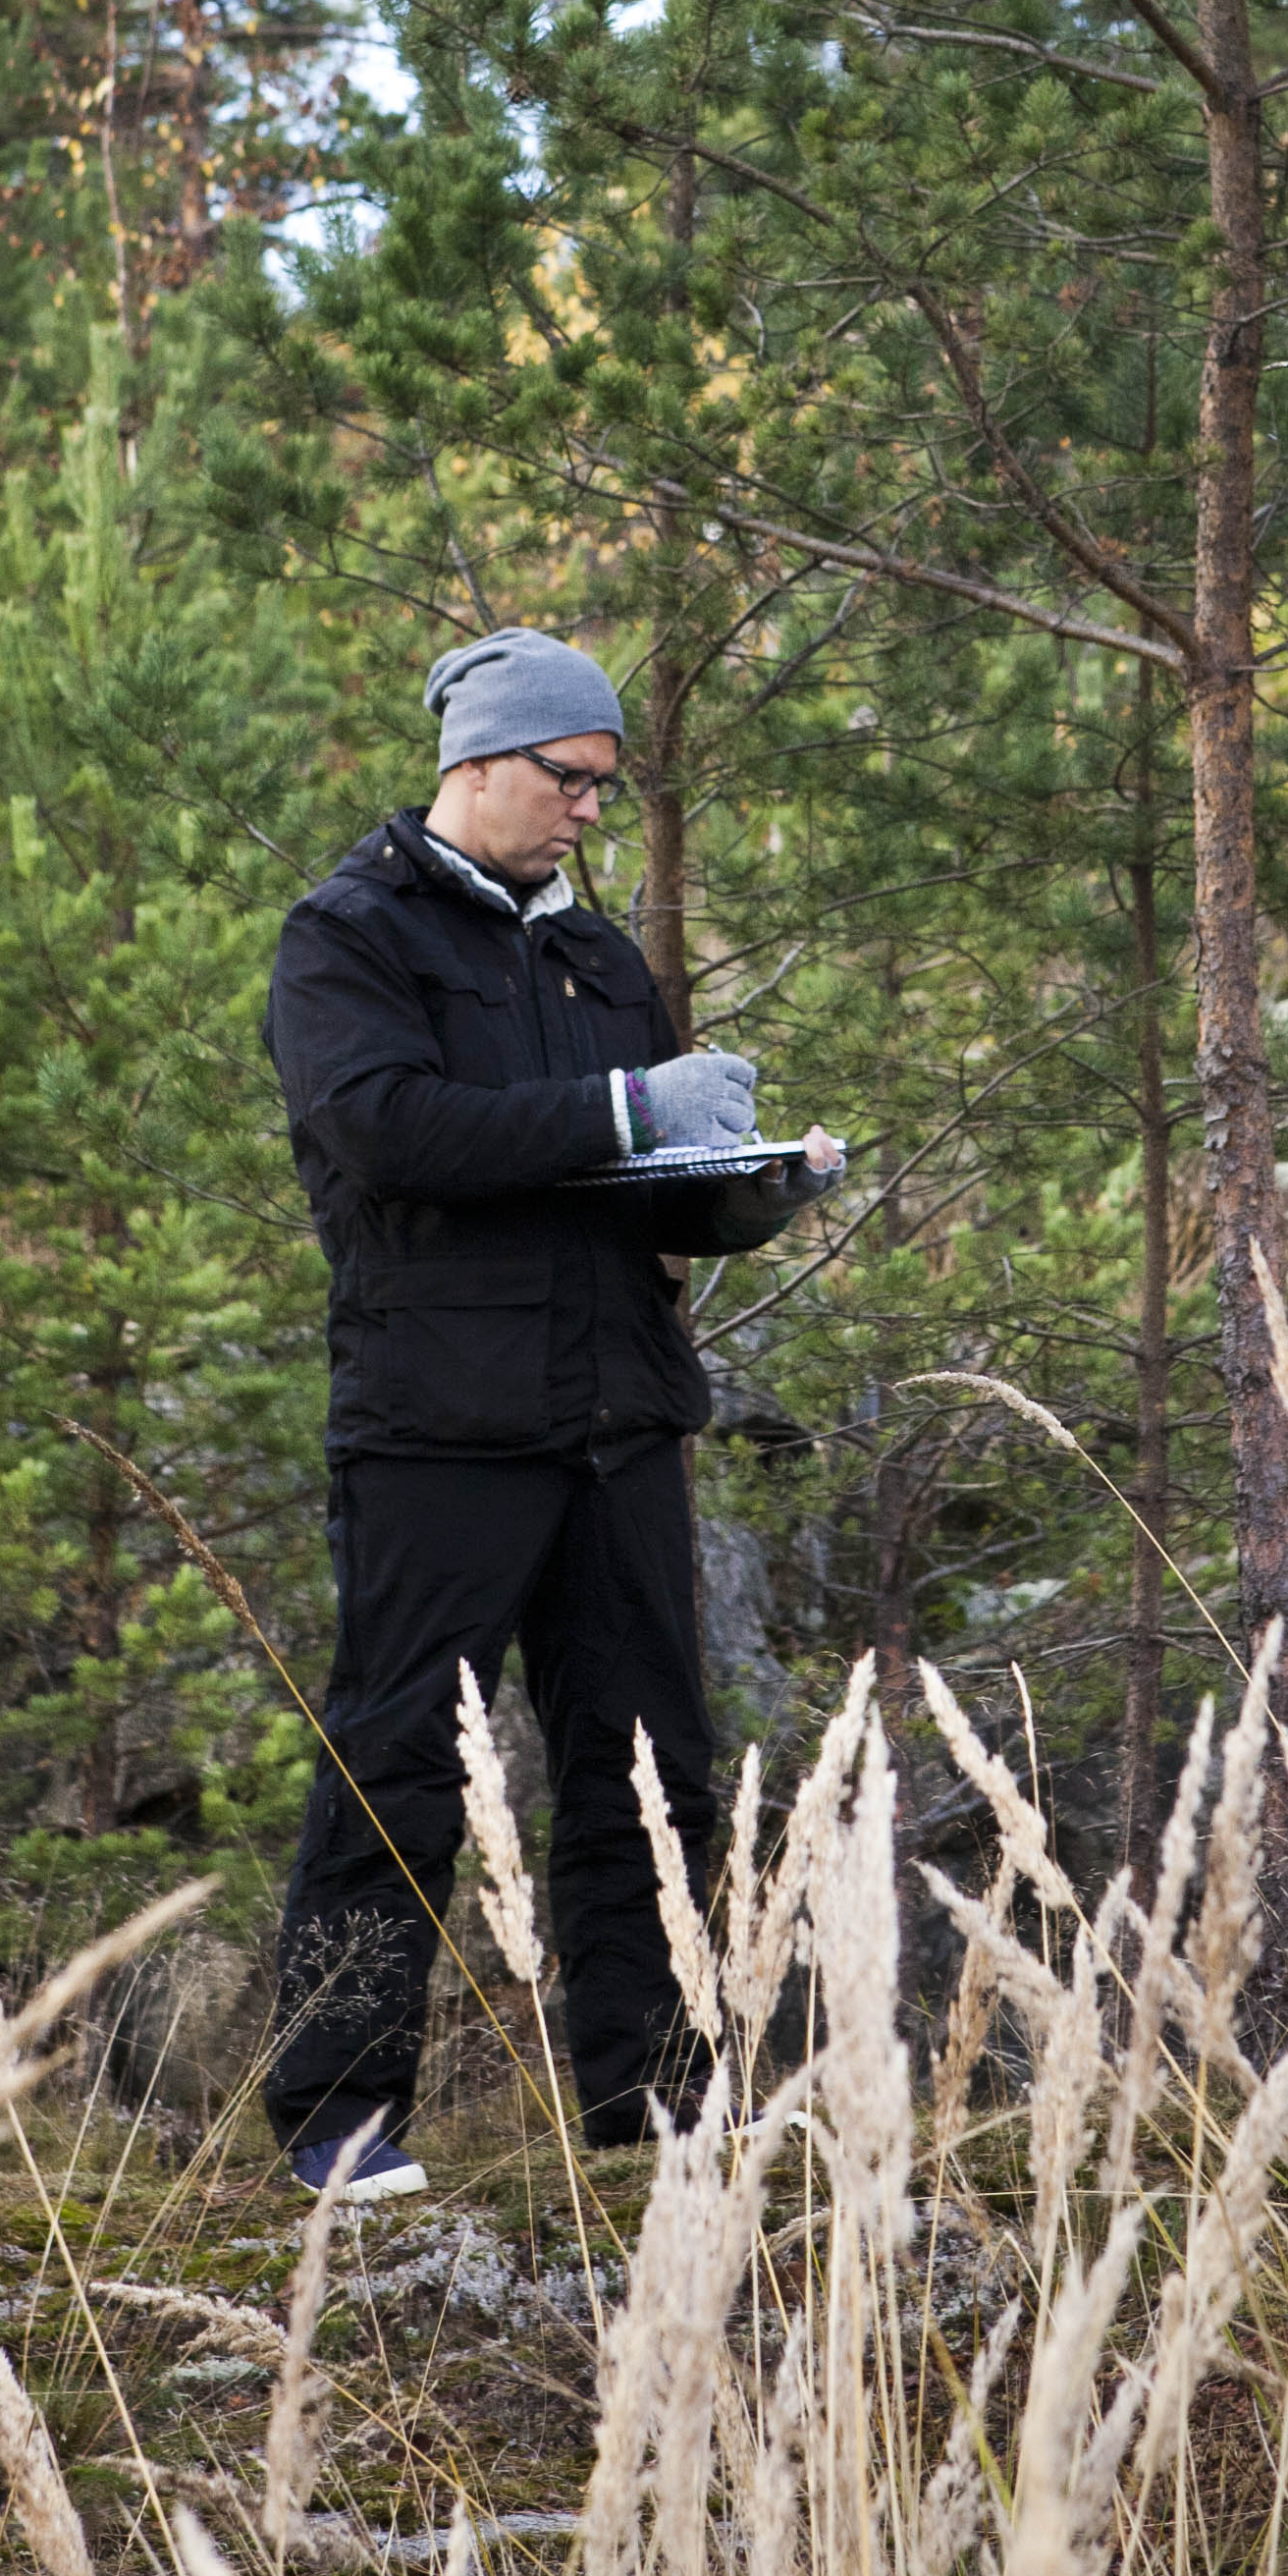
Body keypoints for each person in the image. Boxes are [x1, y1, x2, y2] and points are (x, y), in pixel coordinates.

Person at [257, 627, 834, 2199]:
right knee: (398, 1766)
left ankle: (655, 2104)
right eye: (572, 780)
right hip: (441, 1423)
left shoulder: (598, 962)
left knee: (653, 1770)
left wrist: (755, 1186)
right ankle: (338, 2122)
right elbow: (392, 1134)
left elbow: (639, 1196)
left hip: (620, 1417)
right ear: (482, 766)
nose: (594, 810)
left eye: (605, 785)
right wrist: (630, 1108)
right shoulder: (349, 936)